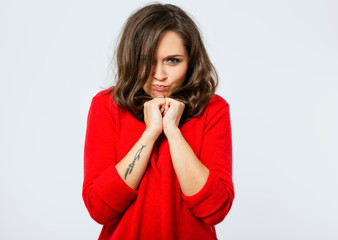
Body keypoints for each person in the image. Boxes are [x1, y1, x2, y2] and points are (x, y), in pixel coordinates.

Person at [82, 3, 234, 240]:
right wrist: (151, 132)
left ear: (191, 61)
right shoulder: (107, 106)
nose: (159, 74)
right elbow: (99, 208)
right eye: (146, 60)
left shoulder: (213, 109)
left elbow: (214, 209)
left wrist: (172, 130)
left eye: (172, 60)